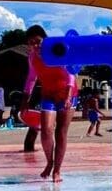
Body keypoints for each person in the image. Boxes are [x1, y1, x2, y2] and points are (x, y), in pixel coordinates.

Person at [20, 25, 76, 181]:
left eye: (38, 41)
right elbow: (31, 79)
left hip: (67, 92)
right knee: (46, 130)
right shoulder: (32, 58)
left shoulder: (56, 51)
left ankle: (57, 170)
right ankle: (49, 162)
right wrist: (25, 100)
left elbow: (71, 73)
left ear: (45, 40)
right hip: (49, 94)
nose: (35, 46)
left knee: (61, 132)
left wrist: (68, 96)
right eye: (31, 43)